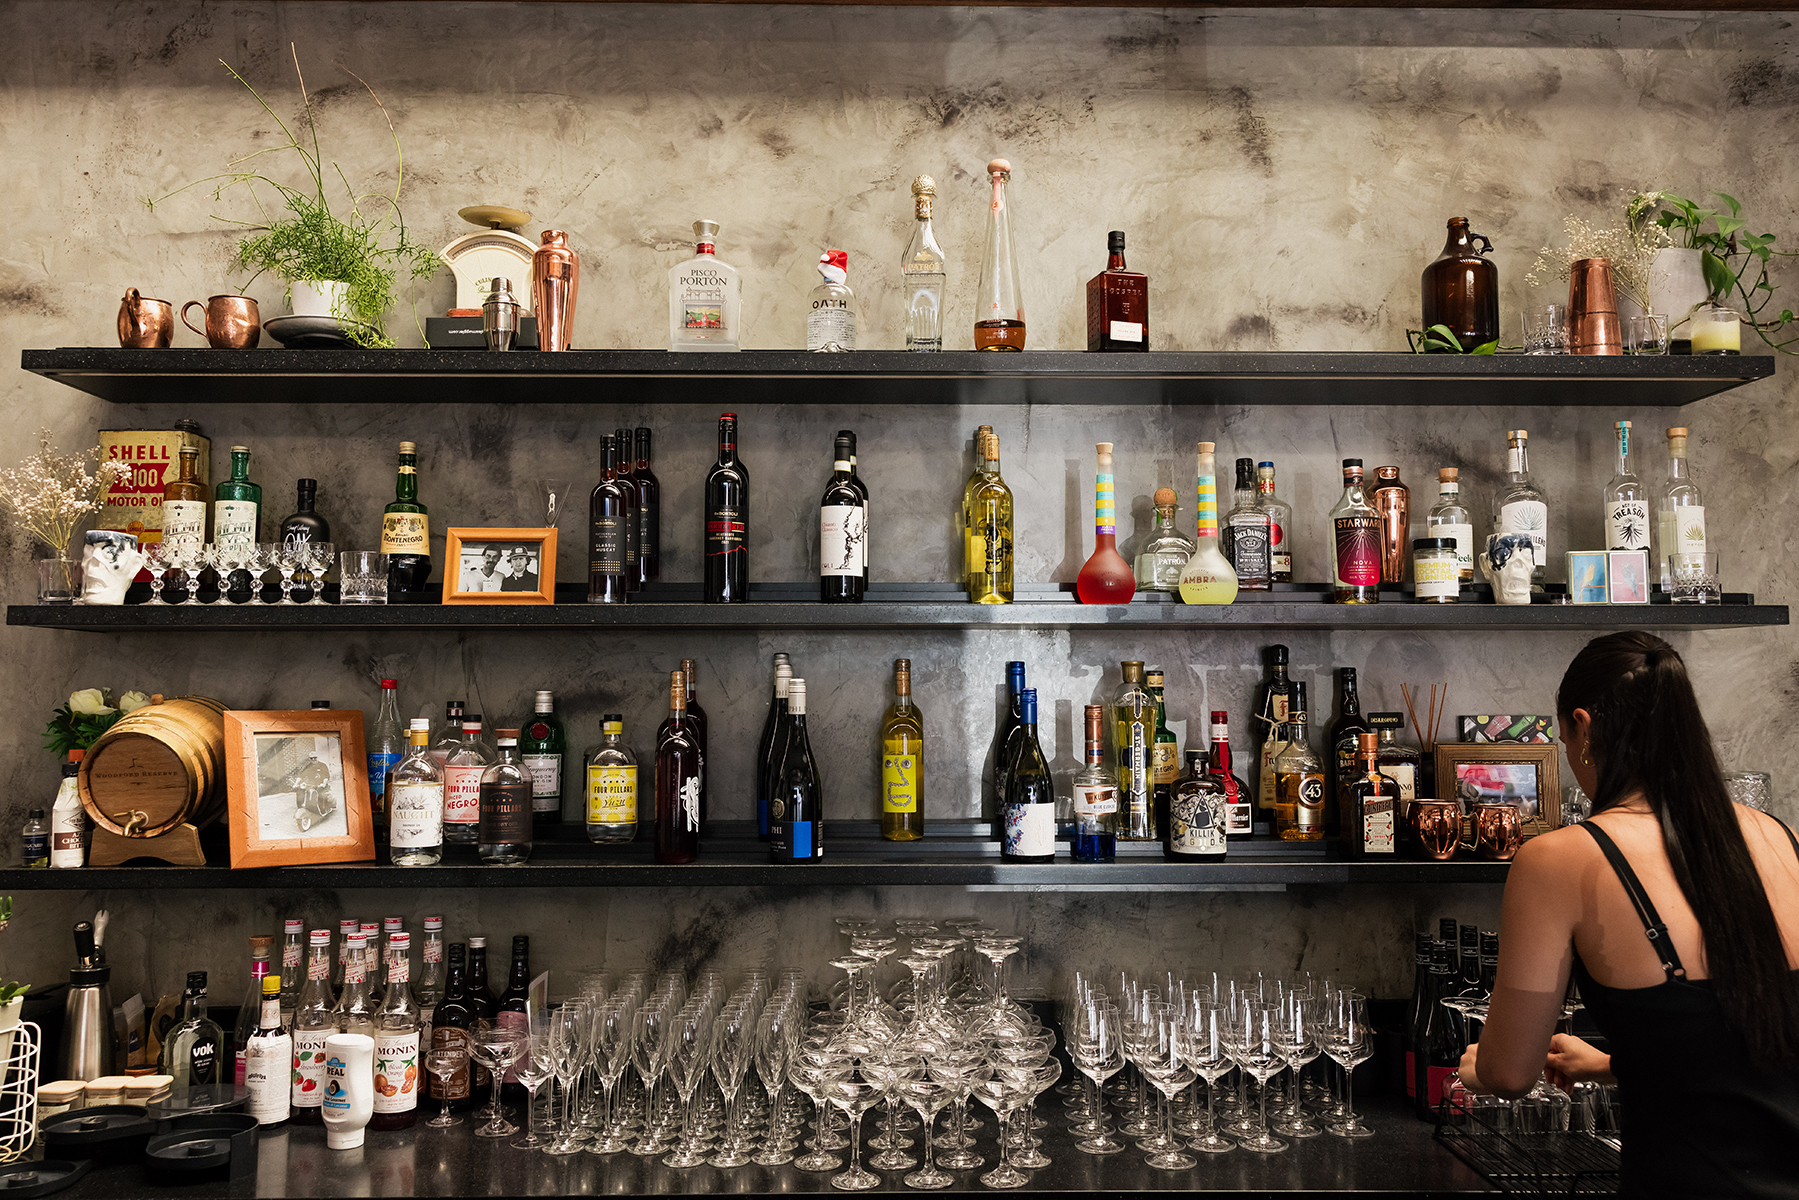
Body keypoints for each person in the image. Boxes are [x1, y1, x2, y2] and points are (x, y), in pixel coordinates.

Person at [1456, 631, 1799, 1197]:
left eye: (1565, 739)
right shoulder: (1778, 836)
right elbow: (1741, 1040)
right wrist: (1612, 1064)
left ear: (1584, 727)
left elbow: (1511, 1073)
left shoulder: (1558, 859)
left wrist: (1479, 1069)